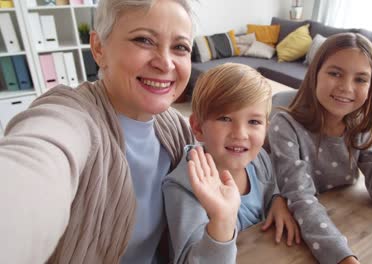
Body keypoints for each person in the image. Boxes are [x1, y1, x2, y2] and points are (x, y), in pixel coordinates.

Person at [0, 0, 196, 263]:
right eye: (144, 40)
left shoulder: (177, 127)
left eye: (180, 47)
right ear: (98, 47)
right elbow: (36, 162)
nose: (166, 63)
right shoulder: (71, 116)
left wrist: (273, 195)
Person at [267, 33, 372, 264]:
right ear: (315, 73)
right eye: (335, 73)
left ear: (371, 86)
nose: (346, 87)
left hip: (343, 220)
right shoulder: (285, 124)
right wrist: (342, 258)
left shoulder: (362, 125)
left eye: (361, 79)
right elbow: (300, 197)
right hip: (292, 229)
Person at [163, 63, 301, 263]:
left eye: (254, 122)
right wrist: (222, 220)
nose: (240, 134)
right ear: (198, 127)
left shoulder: (259, 158)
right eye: (225, 118)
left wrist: (277, 199)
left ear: (266, 129)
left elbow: (272, 185)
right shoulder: (183, 187)